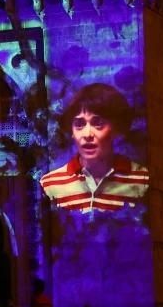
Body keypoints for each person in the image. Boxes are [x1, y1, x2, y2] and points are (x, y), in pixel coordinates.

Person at [39, 84, 149, 212]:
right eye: (79, 124)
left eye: (98, 123)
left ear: (116, 129)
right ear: (72, 132)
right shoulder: (50, 185)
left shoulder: (142, 180)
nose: (87, 134)